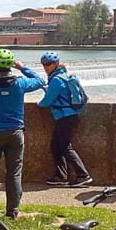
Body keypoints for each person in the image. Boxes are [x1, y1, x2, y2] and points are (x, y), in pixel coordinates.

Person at [0, 49, 45, 220]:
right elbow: (40, 80)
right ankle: (13, 211)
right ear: (11, 65)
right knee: (14, 172)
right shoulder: (20, 84)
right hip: (15, 133)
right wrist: (22, 68)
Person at [37, 52, 93, 187]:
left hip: (65, 117)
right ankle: (61, 176)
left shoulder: (56, 80)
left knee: (65, 147)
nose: (46, 67)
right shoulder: (60, 77)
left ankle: (83, 175)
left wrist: (38, 104)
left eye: (48, 64)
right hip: (67, 116)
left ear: (56, 64)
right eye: (44, 64)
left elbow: (47, 101)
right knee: (56, 146)